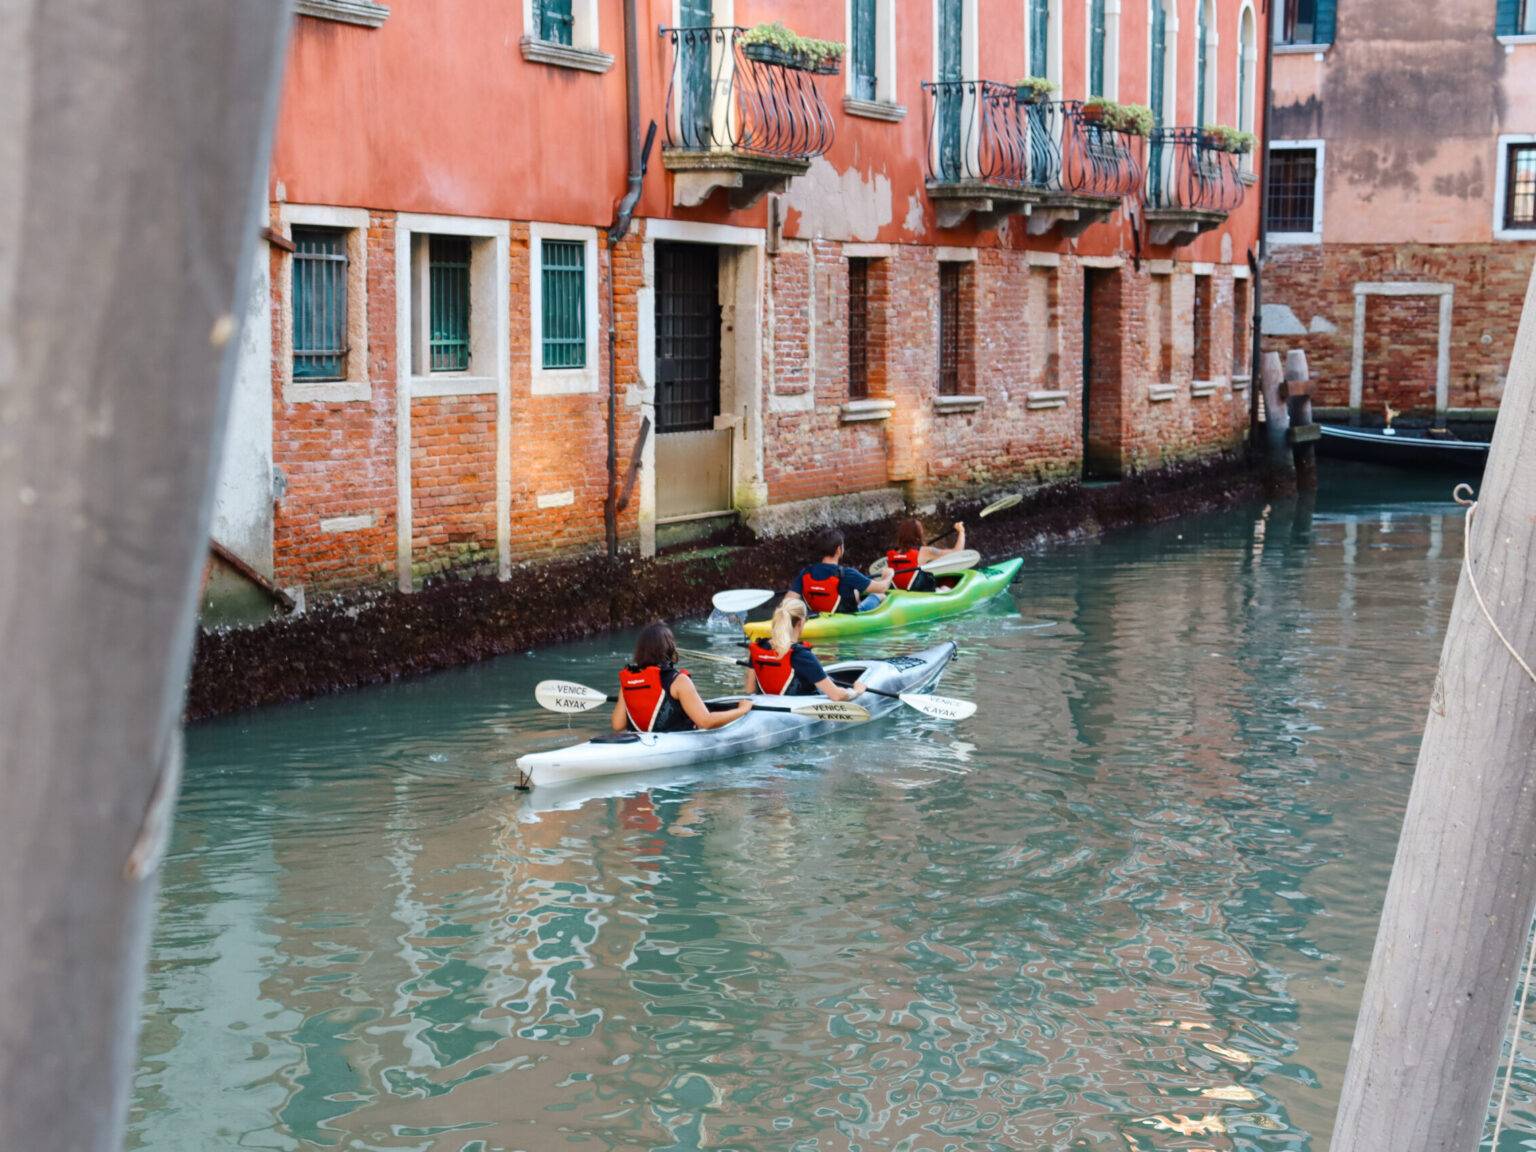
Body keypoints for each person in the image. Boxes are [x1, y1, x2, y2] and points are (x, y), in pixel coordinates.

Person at [612, 622, 752, 733]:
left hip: (643, 743)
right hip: (674, 744)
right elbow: (706, 722)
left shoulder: (630, 681)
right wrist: (742, 710)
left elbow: (618, 725)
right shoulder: (679, 681)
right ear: (669, 647)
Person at [744, 598, 867, 700]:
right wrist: (856, 691)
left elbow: (750, 690)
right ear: (801, 622)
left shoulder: (759, 647)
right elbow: (837, 696)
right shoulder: (801, 655)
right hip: (798, 713)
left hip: (768, 707)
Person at [792, 527, 891, 615]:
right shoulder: (848, 574)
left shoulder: (806, 573)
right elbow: (882, 588)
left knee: (855, 592)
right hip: (849, 620)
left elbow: (789, 600)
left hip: (818, 619)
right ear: (839, 550)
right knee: (880, 595)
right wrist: (888, 575)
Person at [885, 517, 966, 593]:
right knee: (950, 579)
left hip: (900, 592)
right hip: (919, 592)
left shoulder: (891, 554)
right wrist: (961, 531)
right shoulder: (925, 551)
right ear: (918, 534)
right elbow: (957, 552)